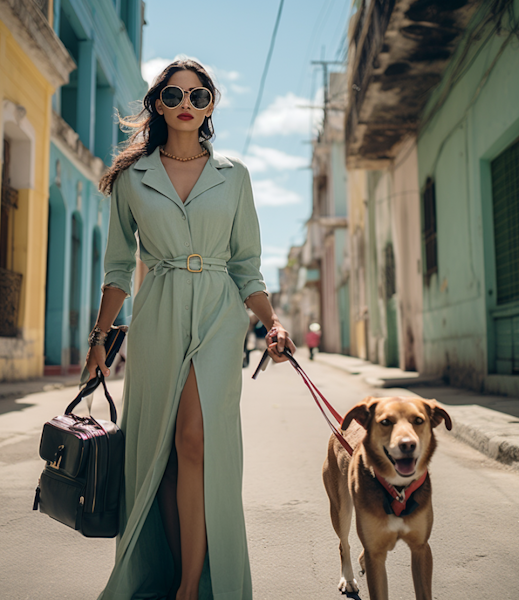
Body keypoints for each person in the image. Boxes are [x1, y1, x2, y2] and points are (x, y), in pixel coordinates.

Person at [84, 59, 296, 600]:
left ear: (210, 107)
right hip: (157, 317)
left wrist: (272, 324)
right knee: (161, 453)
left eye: (199, 96)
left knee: (194, 441)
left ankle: (187, 589)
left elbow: (247, 264)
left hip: (220, 317)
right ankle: (181, 572)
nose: (187, 103)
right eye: (175, 93)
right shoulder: (133, 178)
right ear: (158, 103)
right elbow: (116, 268)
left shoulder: (235, 175)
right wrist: (100, 341)